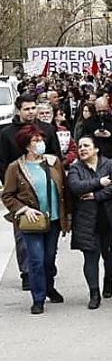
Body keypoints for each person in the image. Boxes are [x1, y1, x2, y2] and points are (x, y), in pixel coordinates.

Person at [2, 125, 71, 314]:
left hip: (53, 219)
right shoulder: (16, 168)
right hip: (31, 221)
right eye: (36, 140)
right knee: (36, 260)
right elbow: (7, 195)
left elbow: (64, 190)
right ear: (26, 145)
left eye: (41, 140)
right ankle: (38, 298)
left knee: (49, 259)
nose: (40, 143)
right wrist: (23, 209)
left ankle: (49, 287)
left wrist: (68, 216)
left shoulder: (53, 162)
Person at [0, 96, 63, 292]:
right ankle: (28, 274)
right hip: (21, 194)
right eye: (26, 108)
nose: (31, 112)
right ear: (18, 110)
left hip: (47, 193)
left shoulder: (47, 129)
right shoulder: (6, 133)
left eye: (33, 108)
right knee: (24, 239)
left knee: (49, 250)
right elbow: (2, 162)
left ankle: (47, 279)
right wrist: (11, 184)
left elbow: (56, 157)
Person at [67, 135, 112, 310]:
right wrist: (99, 182)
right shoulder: (76, 168)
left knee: (111, 256)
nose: (82, 149)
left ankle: (108, 280)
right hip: (86, 220)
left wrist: (95, 195)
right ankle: (94, 293)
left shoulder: (110, 164)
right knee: (90, 257)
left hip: (109, 218)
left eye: (86, 146)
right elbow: (75, 186)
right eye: (80, 147)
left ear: (96, 149)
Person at [81, 96, 112, 162]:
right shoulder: (89, 122)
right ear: (96, 108)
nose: (102, 113)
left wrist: (111, 135)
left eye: (104, 111)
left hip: (111, 156)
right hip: (94, 156)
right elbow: (83, 137)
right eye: (99, 111)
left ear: (108, 108)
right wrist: (93, 135)